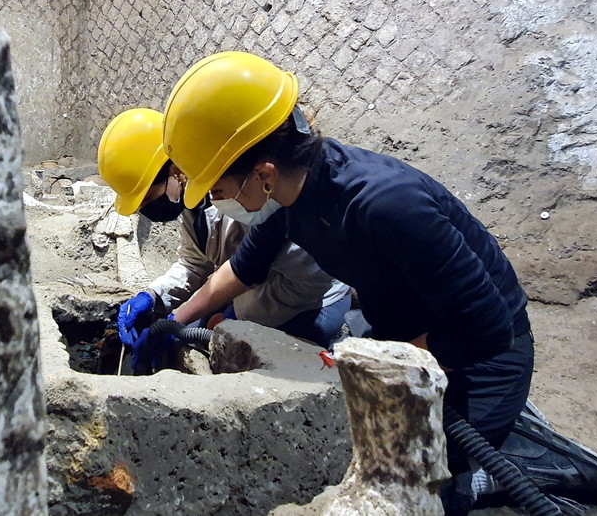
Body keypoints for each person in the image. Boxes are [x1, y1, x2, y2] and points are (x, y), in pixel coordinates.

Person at [158, 51, 534, 514]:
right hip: (401, 337)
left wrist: (374, 369)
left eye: (217, 189)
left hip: (483, 357)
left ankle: (516, 469)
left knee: (410, 489)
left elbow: (487, 328)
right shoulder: (291, 197)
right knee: (343, 450)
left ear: (264, 173)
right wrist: (170, 321)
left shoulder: (386, 204)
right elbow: (241, 270)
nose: (216, 203)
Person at [96, 108, 352, 375]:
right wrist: (153, 296)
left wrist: (234, 315)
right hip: (246, 288)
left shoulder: (250, 195)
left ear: (174, 171)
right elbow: (195, 264)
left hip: (310, 301)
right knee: (196, 325)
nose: (149, 209)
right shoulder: (191, 202)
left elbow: (306, 285)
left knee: (224, 345)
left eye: (148, 198)